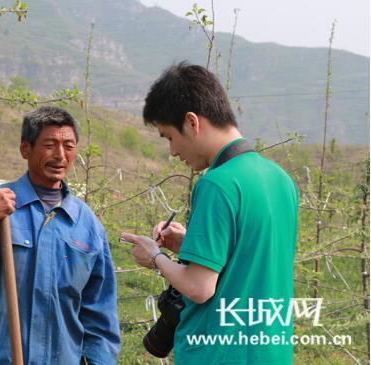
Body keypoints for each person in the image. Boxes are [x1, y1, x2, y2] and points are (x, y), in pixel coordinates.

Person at [121, 62, 298, 364]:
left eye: (168, 137)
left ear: (191, 122)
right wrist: (190, 242)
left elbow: (199, 288)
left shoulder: (217, 184)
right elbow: (250, 259)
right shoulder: (280, 179)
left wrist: (155, 256)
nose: (173, 151)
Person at [0, 106, 121, 365]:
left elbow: (100, 311)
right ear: (25, 149)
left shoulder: (87, 225)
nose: (60, 155)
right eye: (50, 145)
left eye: (69, 146)